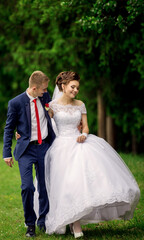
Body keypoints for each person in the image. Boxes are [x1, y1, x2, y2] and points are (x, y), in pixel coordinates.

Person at [34, 71, 140, 238]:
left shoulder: (80, 104)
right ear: (63, 86)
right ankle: (73, 222)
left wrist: (84, 133)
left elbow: (85, 126)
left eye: (77, 88)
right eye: (73, 87)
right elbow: (40, 124)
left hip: (80, 142)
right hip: (62, 146)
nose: (76, 90)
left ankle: (77, 219)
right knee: (68, 184)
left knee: (82, 181)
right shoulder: (52, 106)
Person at [3, 71, 56, 237]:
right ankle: (30, 223)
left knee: (44, 187)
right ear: (34, 88)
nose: (46, 92)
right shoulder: (16, 103)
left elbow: (57, 110)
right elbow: (9, 128)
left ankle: (42, 221)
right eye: (43, 89)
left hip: (44, 147)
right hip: (26, 150)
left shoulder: (45, 98)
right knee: (27, 187)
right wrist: (7, 152)